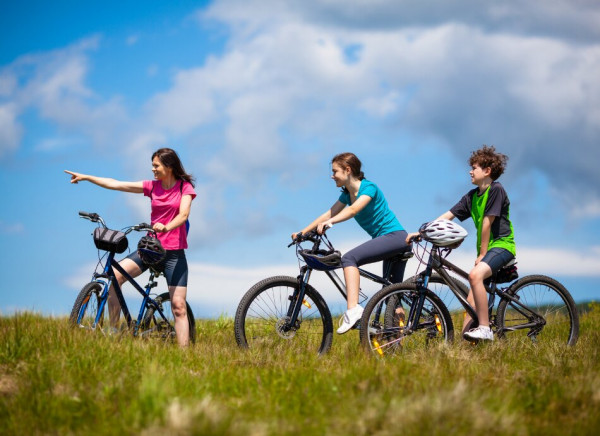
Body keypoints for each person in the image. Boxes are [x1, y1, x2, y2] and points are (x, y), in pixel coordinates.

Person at [65, 148, 196, 347]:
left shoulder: (183, 188)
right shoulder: (152, 187)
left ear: (169, 167)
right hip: (150, 249)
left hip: (174, 254)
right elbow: (117, 184)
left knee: (178, 306)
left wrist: (166, 226)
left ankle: (185, 357)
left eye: (156, 165)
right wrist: (86, 177)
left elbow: (184, 214)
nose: (152, 169)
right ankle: (115, 333)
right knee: (114, 279)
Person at [407, 145, 516, 342]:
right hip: (486, 251)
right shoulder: (471, 197)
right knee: (470, 305)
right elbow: (447, 217)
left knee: (474, 276)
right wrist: (422, 232)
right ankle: (467, 348)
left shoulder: (496, 190)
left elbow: (486, 224)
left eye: (474, 167)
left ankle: (485, 328)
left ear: (487, 171)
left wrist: (482, 254)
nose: (470, 171)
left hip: (502, 246)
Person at [292, 152, 411, 334]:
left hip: (395, 236)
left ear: (348, 170)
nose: (332, 176)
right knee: (392, 296)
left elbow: (354, 210)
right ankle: (397, 343)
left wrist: (331, 223)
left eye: (335, 171)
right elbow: (329, 213)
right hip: (388, 241)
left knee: (349, 259)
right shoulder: (347, 194)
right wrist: (304, 231)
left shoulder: (369, 187)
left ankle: (353, 309)